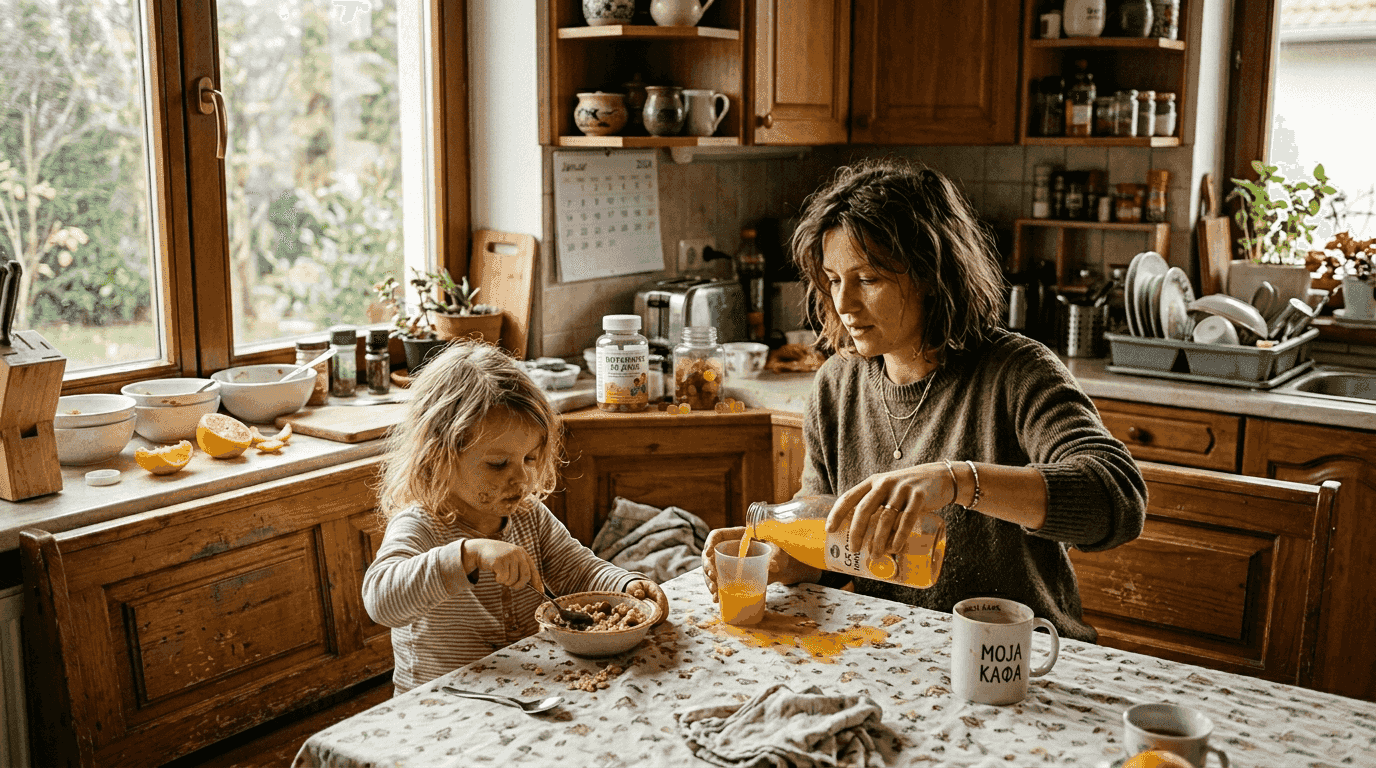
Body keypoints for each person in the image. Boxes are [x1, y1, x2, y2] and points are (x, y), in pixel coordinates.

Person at [703, 158, 1146, 642]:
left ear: (932, 275)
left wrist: (958, 480)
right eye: (833, 279)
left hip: (1019, 658)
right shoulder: (837, 385)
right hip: (900, 651)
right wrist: (785, 559)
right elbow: (836, 547)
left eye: (868, 279)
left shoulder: (1018, 372)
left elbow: (1116, 499)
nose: (844, 304)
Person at [364, 342, 669, 694]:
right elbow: (380, 601)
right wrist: (470, 554)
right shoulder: (420, 524)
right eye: (498, 464)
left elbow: (578, 569)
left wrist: (626, 588)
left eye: (529, 459)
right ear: (440, 456)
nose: (522, 479)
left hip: (521, 693)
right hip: (439, 704)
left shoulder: (528, 515)